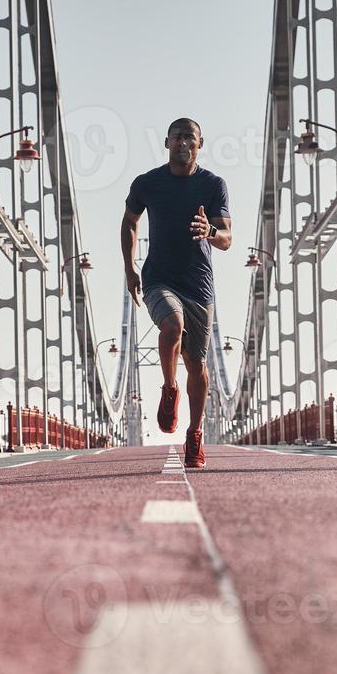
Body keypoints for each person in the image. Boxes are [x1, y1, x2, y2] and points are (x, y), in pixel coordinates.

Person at [120, 118, 233, 468]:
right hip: (159, 279)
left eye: (190, 138)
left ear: (200, 143)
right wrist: (130, 267)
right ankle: (170, 389)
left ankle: (194, 434)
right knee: (171, 326)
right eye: (178, 137)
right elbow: (129, 221)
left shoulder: (214, 184)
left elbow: (227, 239)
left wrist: (210, 230)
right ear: (167, 142)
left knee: (197, 365)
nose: (183, 143)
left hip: (199, 285)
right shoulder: (147, 183)